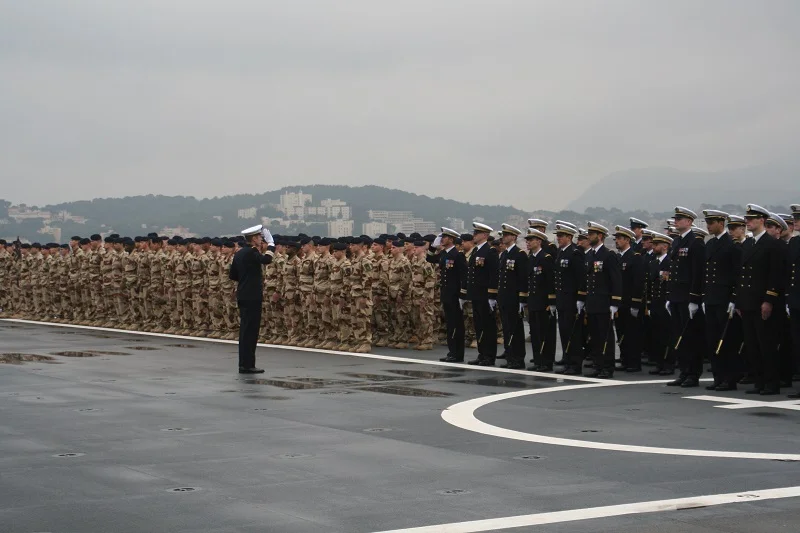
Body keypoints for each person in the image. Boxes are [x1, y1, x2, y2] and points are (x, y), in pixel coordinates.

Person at [229, 225, 275, 374]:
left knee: (245, 330)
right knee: (251, 331)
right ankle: (247, 365)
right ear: (254, 239)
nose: (261, 240)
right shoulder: (252, 252)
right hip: (252, 296)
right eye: (260, 238)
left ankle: (244, 363)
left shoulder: (239, 253)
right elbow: (267, 260)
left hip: (243, 294)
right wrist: (271, 244)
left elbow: (233, 275)